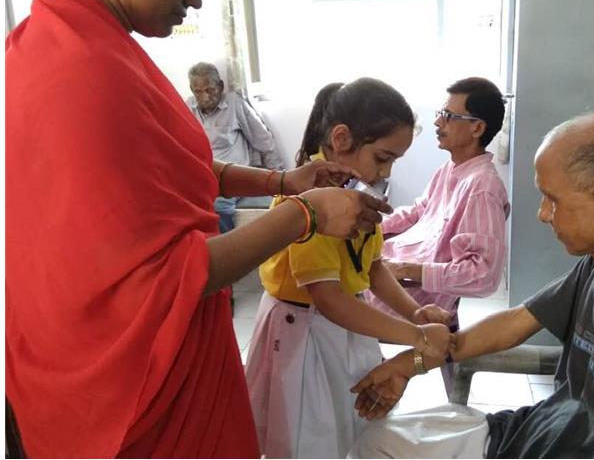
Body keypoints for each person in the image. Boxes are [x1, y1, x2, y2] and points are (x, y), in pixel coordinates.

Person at [5, 0, 390, 458]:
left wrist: (280, 182)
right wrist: (303, 215)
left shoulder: (90, 42)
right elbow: (163, 278)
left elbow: (172, 166)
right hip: (129, 381)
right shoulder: (82, 73)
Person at [349, 111, 594, 458]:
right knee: (372, 442)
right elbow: (518, 321)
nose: (542, 214)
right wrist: (410, 362)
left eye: (552, 200)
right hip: (528, 436)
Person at [244, 78, 455, 459]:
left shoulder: (357, 192)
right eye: (383, 158)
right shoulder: (310, 202)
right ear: (341, 139)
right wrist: (415, 337)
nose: (386, 173)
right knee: (307, 440)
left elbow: (373, 269)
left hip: (346, 328)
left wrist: (416, 313)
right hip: (304, 335)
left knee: (350, 431)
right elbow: (328, 299)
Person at [365, 76, 510, 395]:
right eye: (440, 113)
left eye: (449, 116)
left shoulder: (481, 187)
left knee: (338, 299)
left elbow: (484, 275)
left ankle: (367, 384)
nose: (437, 122)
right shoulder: (452, 169)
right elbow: (420, 210)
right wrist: (371, 224)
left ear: (476, 128)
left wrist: (404, 270)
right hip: (403, 271)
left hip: (418, 295)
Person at [186, 61, 285, 231]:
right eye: (198, 92)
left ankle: (224, 251)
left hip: (230, 177)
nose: (205, 97)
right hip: (202, 176)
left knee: (218, 208)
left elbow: (263, 140)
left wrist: (280, 181)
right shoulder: (188, 107)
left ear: (221, 86)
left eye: (210, 90)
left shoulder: (234, 103)